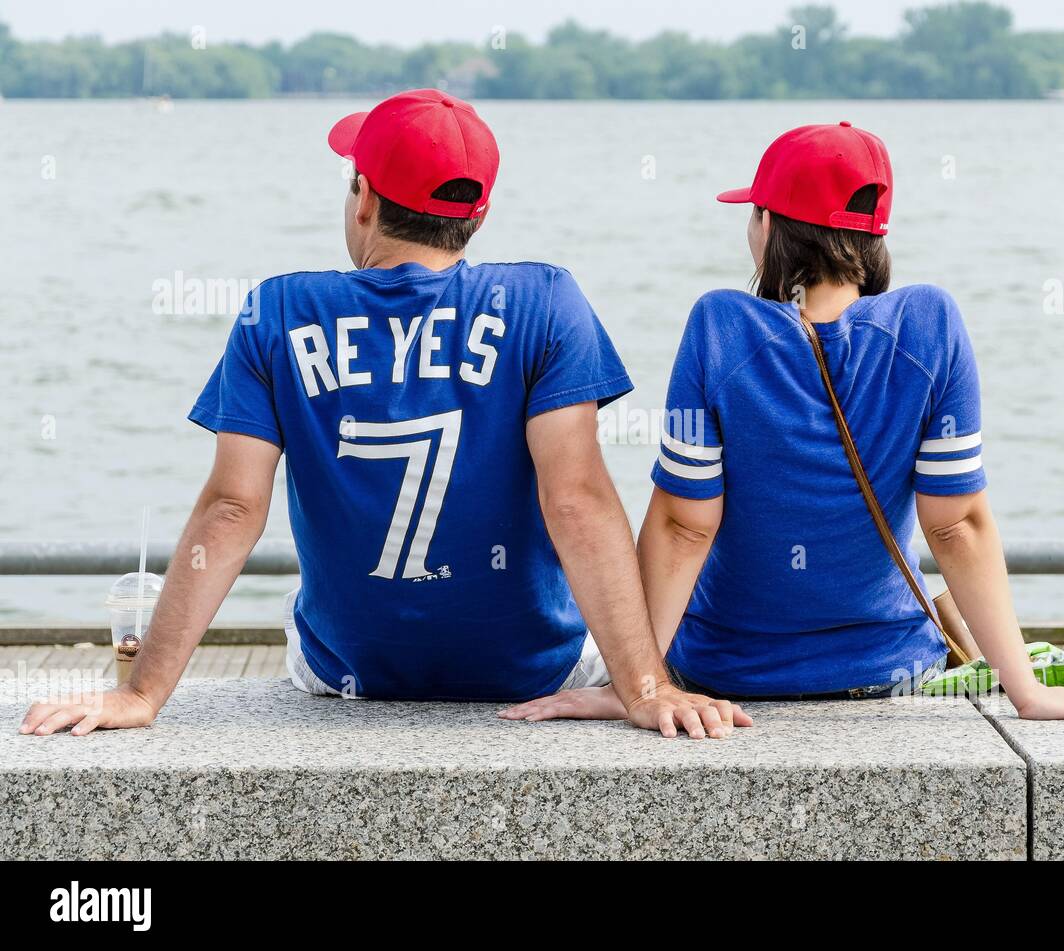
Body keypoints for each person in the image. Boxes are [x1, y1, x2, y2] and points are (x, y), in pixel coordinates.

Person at [19, 90, 750, 740]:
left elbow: (232, 509)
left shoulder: (274, 311)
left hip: (347, 672)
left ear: (363, 197)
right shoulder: (545, 302)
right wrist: (647, 686)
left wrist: (143, 690)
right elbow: (578, 503)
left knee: (302, 617)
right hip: (527, 671)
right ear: (479, 213)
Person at [503, 122, 1064, 723]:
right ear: (874, 236)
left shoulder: (721, 326)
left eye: (753, 213)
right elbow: (956, 524)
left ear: (769, 225)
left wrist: (637, 684)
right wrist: (1027, 691)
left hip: (729, 669)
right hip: (888, 669)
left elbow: (682, 525)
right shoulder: (930, 325)